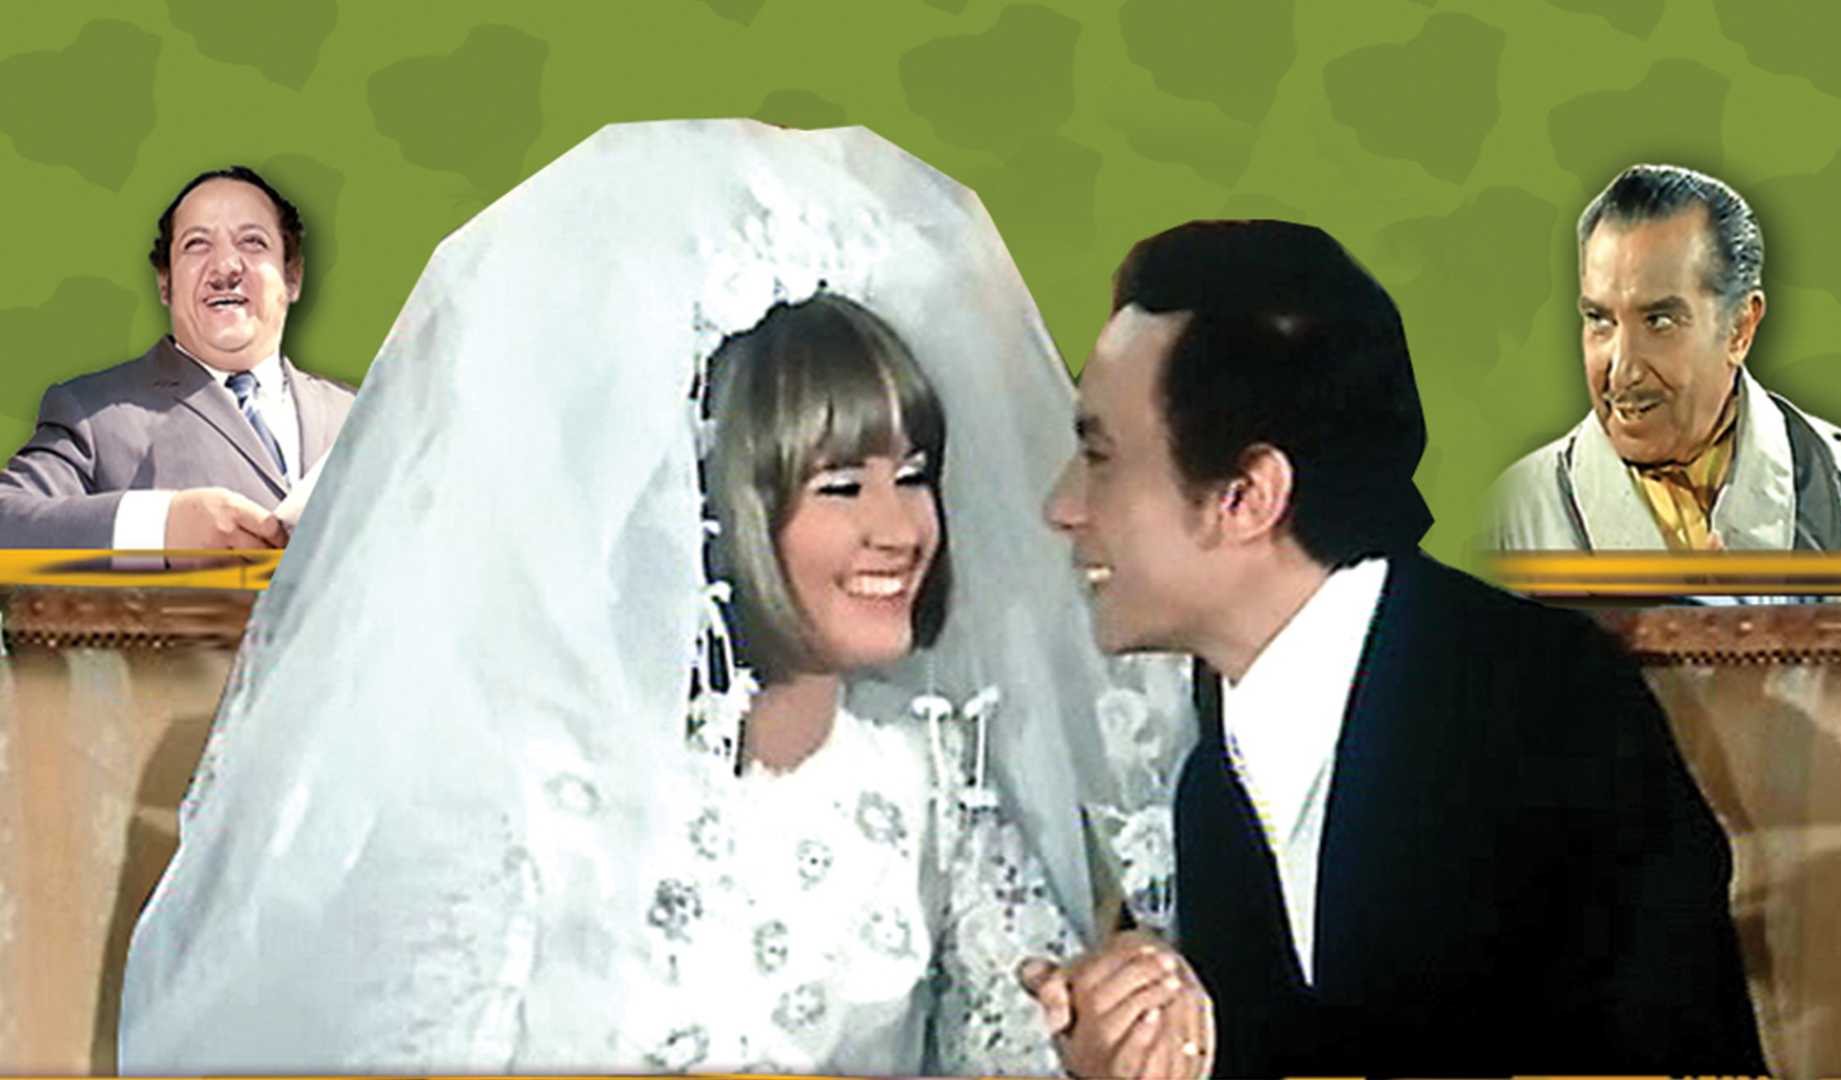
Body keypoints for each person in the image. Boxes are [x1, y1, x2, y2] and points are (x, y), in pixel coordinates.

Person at [118, 121, 1191, 1075]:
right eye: (839, 487)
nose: (900, 527)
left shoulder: (931, 781)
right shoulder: (529, 796)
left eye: (913, 475)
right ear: (717, 510)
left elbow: (1012, 1041)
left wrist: (1102, 1038)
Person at [1029, 220, 1767, 1076]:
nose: (1061, 507)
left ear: (1248, 495)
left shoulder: (1543, 712)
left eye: (1098, 456)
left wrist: (1215, 1054)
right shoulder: (1206, 778)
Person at [1492, 163, 1841, 551]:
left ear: (1740, 329)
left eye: (1659, 321)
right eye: (1599, 320)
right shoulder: (1516, 514)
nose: (1623, 371)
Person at [0, 165, 355, 551]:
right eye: (197, 244)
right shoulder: (92, 414)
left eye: (253, 242)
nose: (225, 268)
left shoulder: (358, 412)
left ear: (293, 277)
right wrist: (161, 526)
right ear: (165, 283)